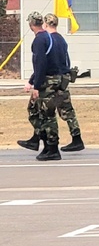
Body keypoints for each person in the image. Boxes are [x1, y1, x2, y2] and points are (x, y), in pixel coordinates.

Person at [18, 14, 84, 153]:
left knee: (42, 111)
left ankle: (47, 142)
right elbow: (66, 61)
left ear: (46, 24)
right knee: (66, 111)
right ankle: (74, 138)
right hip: (62, 79)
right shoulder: (61, 40)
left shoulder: (45, 39)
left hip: (49, 82)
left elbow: (41, 64)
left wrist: (34, 83)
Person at [23, 12, 68, 161]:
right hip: (55, 79)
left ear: (31, 25)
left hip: (47, 82)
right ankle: (42, 141)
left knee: (47, 115)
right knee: (37, 111)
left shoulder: (39, 40)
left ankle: (52, 147)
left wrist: (36, 85)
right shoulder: (49, 37)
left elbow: (40, 64)